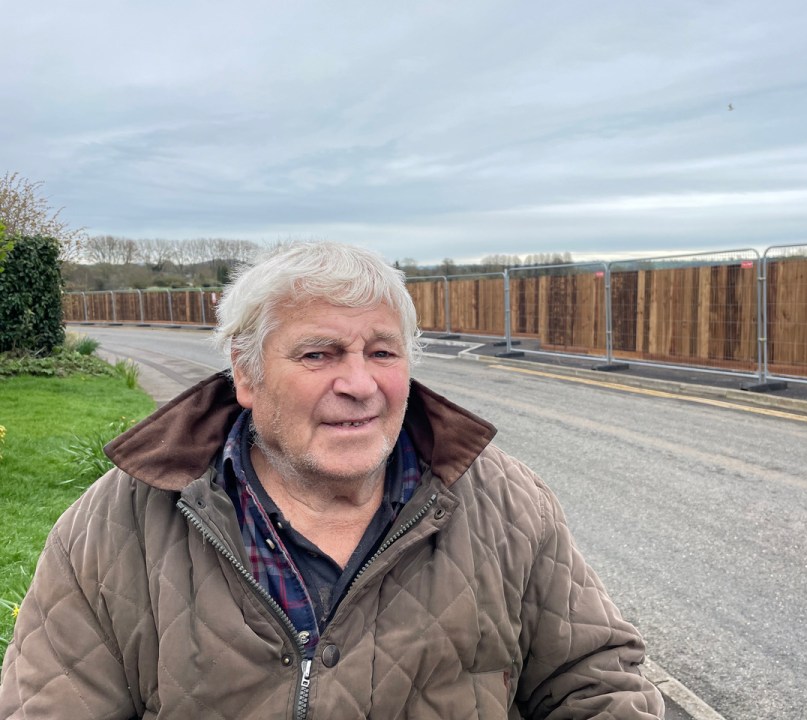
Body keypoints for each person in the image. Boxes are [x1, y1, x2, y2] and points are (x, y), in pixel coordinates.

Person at [0, 242, 664, 719]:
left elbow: (597, 679)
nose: (359, 384)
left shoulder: (505, 503)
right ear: (246, 373)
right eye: (319, 354)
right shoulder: (119, 525)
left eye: (382, 352)